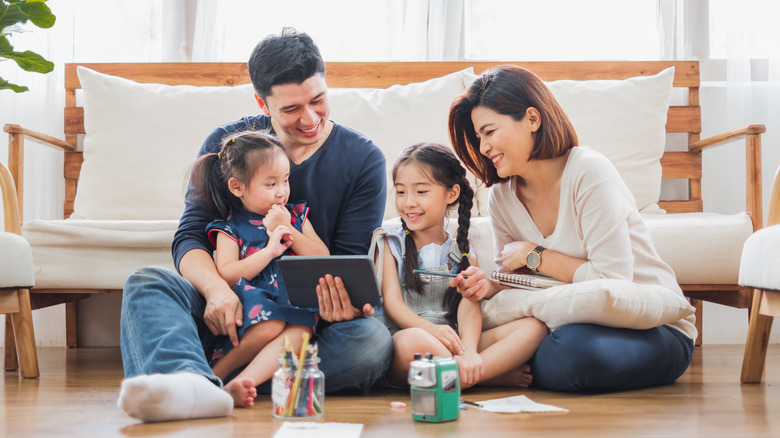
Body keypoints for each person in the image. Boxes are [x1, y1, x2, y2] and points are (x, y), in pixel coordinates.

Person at [117, 28, 392, 422]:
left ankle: (200, 381)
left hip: (303, 321)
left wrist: (337, 304)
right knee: (147, 283)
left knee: (371, 343)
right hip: (230, 309)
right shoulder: (228, 144)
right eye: (291, 109)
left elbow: (345, 261)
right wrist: (215, 291)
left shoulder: (362, 159)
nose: (310, 117)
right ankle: (198, 382)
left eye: (318, 100)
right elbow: (191, 235)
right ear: (262, 102)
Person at [447, 65, 696, 392]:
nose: (482, 148)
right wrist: (491, 286)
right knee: (554, 347)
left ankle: (500, 365)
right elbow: (522, 285)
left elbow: (611, 283)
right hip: (565, 324)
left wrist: (535, 255)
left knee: (567, 355)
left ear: (533, 119)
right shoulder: (501, 198)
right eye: (479, 137)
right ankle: (500, 365)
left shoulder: (589, 172)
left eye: (489, 132)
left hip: (654, 328)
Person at [372, 142, 548, 389]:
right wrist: (430, 331)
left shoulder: (462, 247)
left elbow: (469, 304)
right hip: (409, 341)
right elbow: (392, 304)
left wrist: (469, 350)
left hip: (451, 339)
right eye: (401, 192)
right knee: (413, 341)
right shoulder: (388, 240)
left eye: (421, 192)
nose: (408, 202)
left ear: (451, 194)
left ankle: (465, 370)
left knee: (533, 327)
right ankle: (487, 376)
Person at [189, 130, 328, 407]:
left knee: (300, 334)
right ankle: (215, 374)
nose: (282, 191)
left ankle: (242, 384)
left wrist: (286, 227)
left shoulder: (296, 216)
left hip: (296, 302)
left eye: (285, 180)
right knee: (271, 324)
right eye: (271, 183)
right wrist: (269, 252)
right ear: (237, 187)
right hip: (256, 301)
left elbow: (321, 256)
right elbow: (227, 274)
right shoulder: (230, 227)